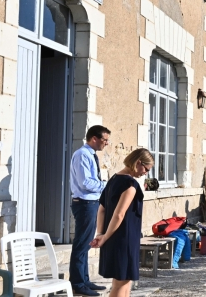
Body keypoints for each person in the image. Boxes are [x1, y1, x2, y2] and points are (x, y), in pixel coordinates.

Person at [90, 148, 153, 297]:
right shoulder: (130, 185)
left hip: (114, 237)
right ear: (138, 162)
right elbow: (119, 215)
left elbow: (102, 210)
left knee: (124, 281)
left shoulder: (113, 180)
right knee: (120, 283)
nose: (146, 173)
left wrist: (101, 233)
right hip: (124, 238)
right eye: (147, 169)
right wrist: (103, 237)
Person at [69, 125, 110, 296]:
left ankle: (84, 280)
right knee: (81, 244)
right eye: (105, 140)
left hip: (90, 203)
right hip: (85, 204)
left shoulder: (89, 155)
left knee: (86, 243)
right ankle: (78, 283)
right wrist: (107, 185)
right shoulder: (82, 155)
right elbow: (86, 182)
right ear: (94, 138)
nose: (106, 143)